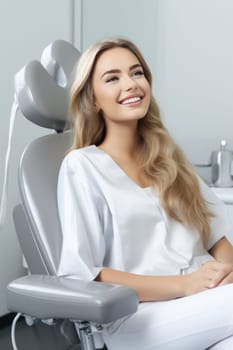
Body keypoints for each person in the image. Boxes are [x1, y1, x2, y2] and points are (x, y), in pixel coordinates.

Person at [57, 37, 233, 349]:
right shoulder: (82, 167)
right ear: (94, 99)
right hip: (138, 316)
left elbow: (217, 234)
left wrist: (225, 273)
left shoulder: (170, 159)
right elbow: (85, 274)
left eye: (137, 73)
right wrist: (185, 284)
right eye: (113, 78)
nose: (131, 84)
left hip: (209, 302)